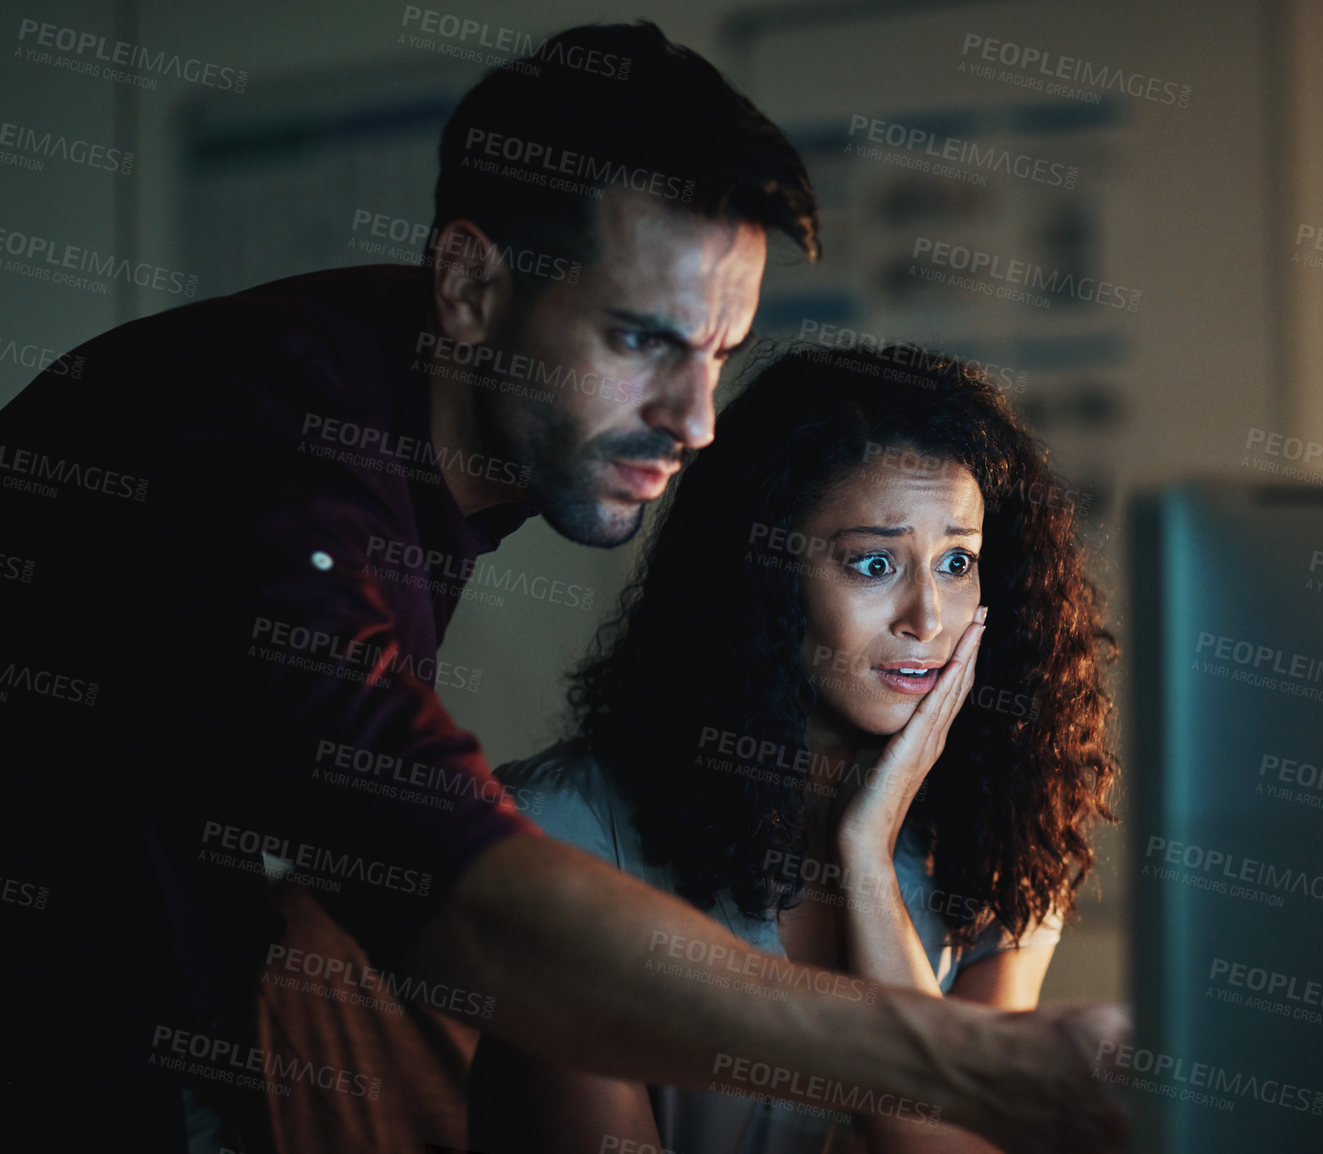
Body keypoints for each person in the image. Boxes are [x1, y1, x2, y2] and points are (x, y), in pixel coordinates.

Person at [0, 20, 1127, 1154]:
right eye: (641, 339)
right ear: (470, 284)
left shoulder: (389, 390)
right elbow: (472, 911)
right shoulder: (266, 478)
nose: (695, 423)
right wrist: (982, 1061)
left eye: (717, 353)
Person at [469, 343, 1120, 1153]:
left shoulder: (1002, 840)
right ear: (763, 575)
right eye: (873, 563)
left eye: (958, 563)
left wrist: (865, 858)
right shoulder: (562, 834)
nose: (926, 617)